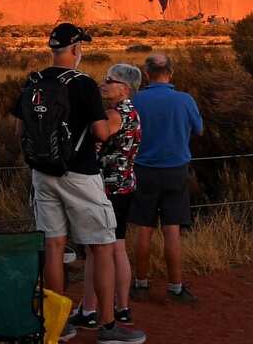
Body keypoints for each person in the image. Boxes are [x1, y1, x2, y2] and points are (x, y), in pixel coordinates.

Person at [13, 24, 145, 344]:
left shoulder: (34, 81)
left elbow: (19, 133)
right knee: (101, 246)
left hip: (42, 174)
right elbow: (100, 134)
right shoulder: (84, 84)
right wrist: (113, 123)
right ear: (76, 49)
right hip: (80, 175)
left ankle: (56, 325)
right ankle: (109, 326)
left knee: (54, 246)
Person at [73, 64, 142, 330]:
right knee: (117, 248)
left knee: (96, 250)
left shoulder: (114, 114)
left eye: (109, 81)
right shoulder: (133, 112)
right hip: (126, 186)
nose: (103, 83)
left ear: (124, 88)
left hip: (107, 190)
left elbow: (101, 134)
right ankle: (122, 307)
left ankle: (90, 310)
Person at [130, 53, 203, 305]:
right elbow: (199, 129)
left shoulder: (136, 99)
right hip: (176, 171)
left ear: (147, 74)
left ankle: (140, 285)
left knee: (144, 228)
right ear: (170, 74)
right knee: (172, 230)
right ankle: (175, 288)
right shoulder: (184, 100)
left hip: (143, 171)